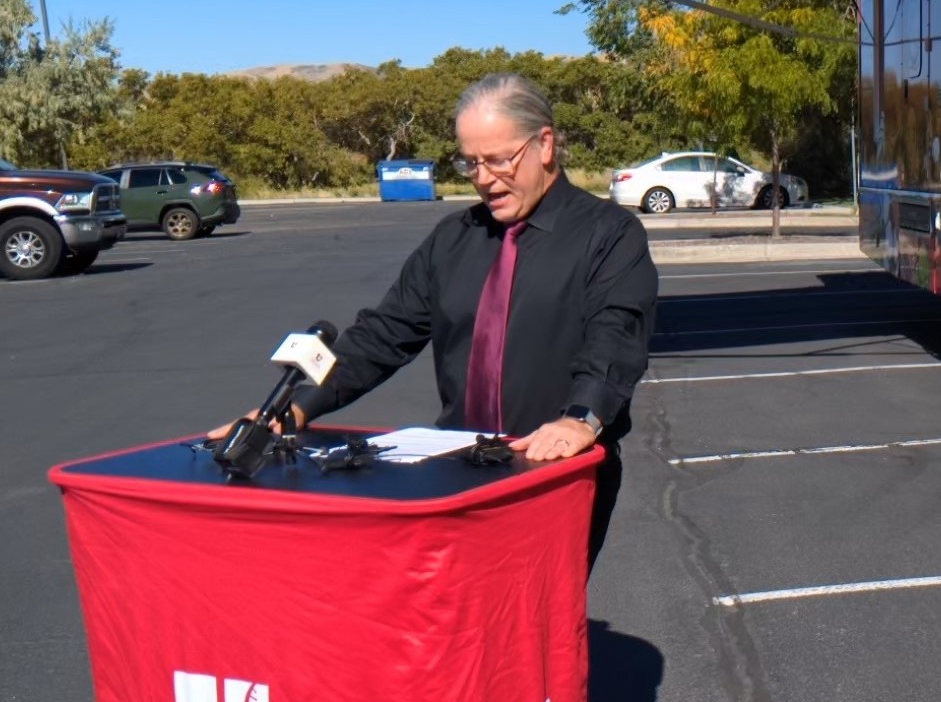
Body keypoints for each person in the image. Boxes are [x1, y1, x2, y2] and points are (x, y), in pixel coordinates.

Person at [209, 73, 658, 572]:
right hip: (460, 471)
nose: (484, 178)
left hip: (556, 473)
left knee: (534, 629)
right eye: (471, 162)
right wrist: (289, 411)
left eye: (498, 159)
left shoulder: (609, 235)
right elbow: (382, 335)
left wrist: (582, 417)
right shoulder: (452, 240)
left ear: (545, 144)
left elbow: (615, 337)